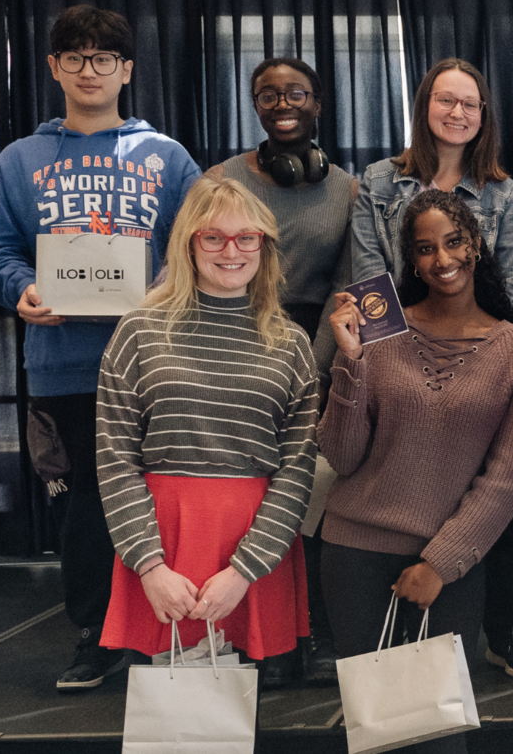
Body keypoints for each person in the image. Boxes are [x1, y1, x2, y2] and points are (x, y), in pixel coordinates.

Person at [0, 4, 200, 690]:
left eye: (103, 58)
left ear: (126, 70)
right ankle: (96, 635)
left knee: (166, 496)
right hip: (64, 365)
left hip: (156, 363)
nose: (89, 69)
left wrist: (166, 288)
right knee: (87, 507)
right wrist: (21, 290)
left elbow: (199, 245)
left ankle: (168, 630)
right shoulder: (19, 161)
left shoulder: (168, 158)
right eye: (74, 56)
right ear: (53, 67)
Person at [317, 189, 513, 754]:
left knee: (438, 740)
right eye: (424, 248)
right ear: (410, 261)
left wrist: (439, 563)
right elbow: (341, 456)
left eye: (454, 241)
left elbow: (507, 477)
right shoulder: (379, 334)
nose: (442, 259)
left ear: (477, 244)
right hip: (354, 556)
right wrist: (350, 360)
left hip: (449, 567)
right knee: (378, 738)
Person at [94, 178, 318, 666]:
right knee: (169, 704)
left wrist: (244, 570)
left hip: (255, 545)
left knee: (245, 701)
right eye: (213, 237)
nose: (231, 251)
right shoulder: (139, 331)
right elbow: (115, 459)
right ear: (188, 245)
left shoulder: (291, 343)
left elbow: (297, 470)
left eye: (246, 237)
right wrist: (150, 566)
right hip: (161, 542)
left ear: (264, 246)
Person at [205, 56, 355, 685]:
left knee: (309, 497)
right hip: (235, 345)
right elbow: (200, 263)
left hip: (317, 351)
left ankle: (310, 630)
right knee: (244, 498)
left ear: (318, 103)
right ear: (255, 106)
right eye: (268, 95)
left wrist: (310, 371)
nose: (283, 104)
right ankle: (248, 634)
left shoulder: (346, 189)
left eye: (296, 93)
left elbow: (348, 288)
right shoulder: (221, 180)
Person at [354, 58, 513, 322]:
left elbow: (512, 297)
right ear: (425, 105)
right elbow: (370, 283)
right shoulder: (377, 182)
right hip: (397, 338)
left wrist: (462, 340)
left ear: (482, 116)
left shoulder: (506, 195)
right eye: (446, 100)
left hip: (479, 340)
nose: (457, 113)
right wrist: (408, 341)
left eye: (469, 104)